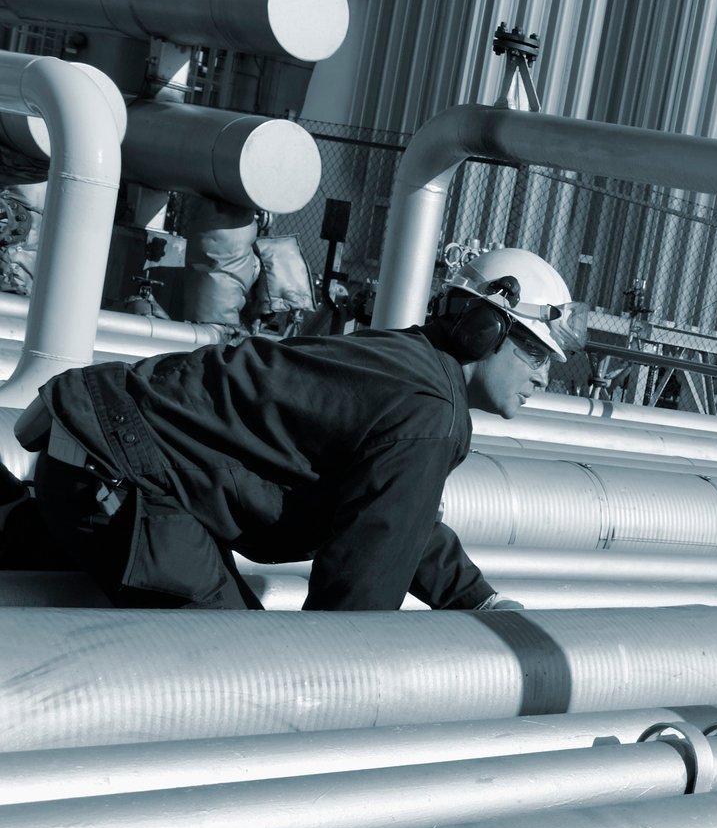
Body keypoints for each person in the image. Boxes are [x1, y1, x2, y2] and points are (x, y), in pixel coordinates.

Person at [0, 246, 584, 611]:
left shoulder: (410, 362)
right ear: (487, 330)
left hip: (98, 447)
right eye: (534, 354)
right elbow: (360, 588)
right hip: (125, 471)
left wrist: (477, 600)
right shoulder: (430, 410)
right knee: (235, 673)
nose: (541, 378)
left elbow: (398, 519)